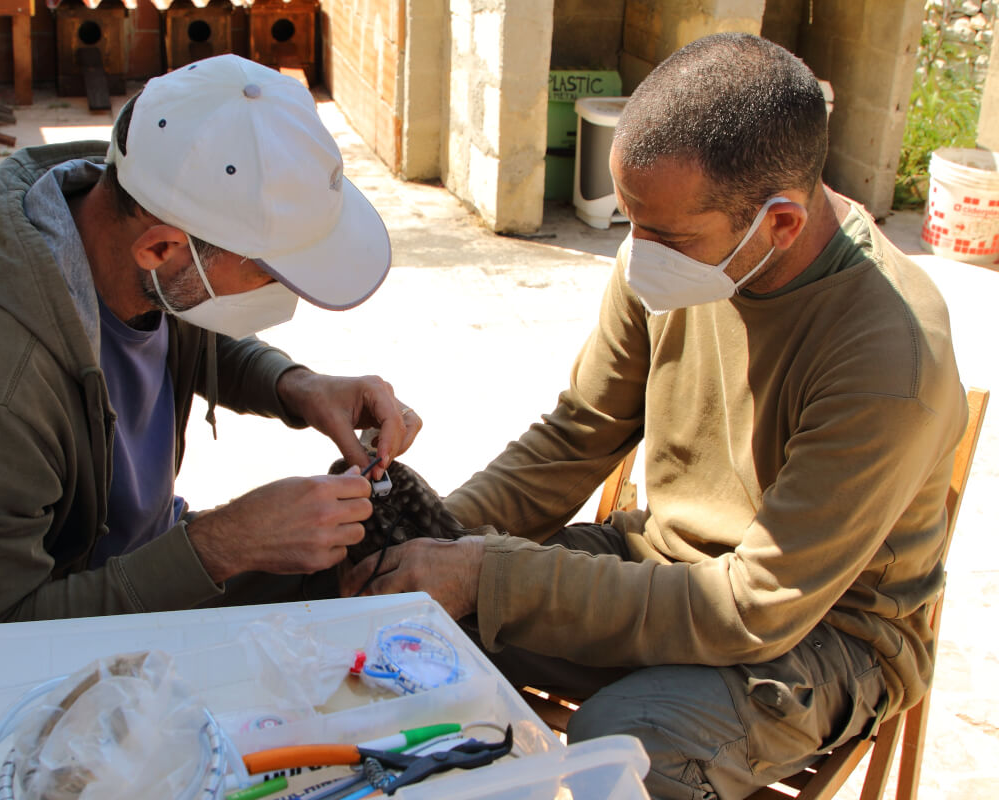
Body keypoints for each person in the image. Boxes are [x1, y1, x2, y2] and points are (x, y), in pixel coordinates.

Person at [342, 33, 967, 799]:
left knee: (634, 742)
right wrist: (434, 544)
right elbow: (576, 435)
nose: (637, 253)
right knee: (422, 634)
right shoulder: (674, 244)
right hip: (665, 564)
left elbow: (752, 608)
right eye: (631, 219)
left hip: (823, 635)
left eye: (666, 234)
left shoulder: (888, 355)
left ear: (779, 224)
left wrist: (486, 572)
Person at [0, 55, 421, 630]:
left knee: (390, 569)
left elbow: (187, 329)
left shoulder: (128, 225)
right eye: (266, 274)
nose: (278, 292)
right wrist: (222, 544)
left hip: (134, 569)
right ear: (160, 249)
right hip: (35, 653)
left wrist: (298, 387)